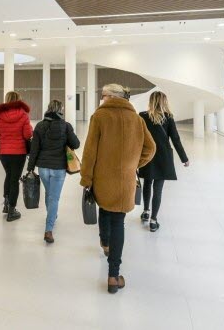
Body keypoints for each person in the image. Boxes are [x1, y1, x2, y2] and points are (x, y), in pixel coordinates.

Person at [80, 84, 156, 294]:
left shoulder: (100, 117)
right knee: (118, 221)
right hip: (125, 181)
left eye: (103, 95)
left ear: (111, 97)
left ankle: (105, 244)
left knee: (104, 208)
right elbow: (151, 148)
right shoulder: (137, 120)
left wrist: (86, 177)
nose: (102, 98)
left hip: (102, 177)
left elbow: (89, 152)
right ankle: (113, 275)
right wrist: (134, 164)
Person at [27, 100, 80, 244]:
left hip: (43, 167)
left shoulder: (40, 126)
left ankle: (52, 214)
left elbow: (34, 149)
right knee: (54, 198)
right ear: (60, 110)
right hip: (58, 168)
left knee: (49, 194)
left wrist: (30, 167)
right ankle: (48, 229)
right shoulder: (66, 126)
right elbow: (76, 144)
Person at [138, 91, 189, 232]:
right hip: (163, 157)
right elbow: (175, 140)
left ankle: (146, 211)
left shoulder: (142, 116)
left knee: (147, 183)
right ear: (164, 102)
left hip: (148, 155)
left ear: (151, 101)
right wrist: (184, 158)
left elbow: (138, 137)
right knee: (158, 189)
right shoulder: (168, 118)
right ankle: (154, 221)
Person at [0, 91, 32, 222]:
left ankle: (6, 204)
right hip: (19, 153)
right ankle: (12, 210)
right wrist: (30, 128)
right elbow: (27, 135)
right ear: (19, 100)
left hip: (4, 154)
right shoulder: (23, 114)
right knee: (14, 180)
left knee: (9, 176)